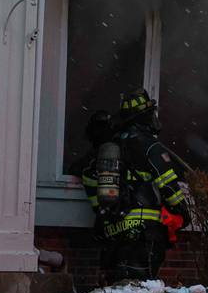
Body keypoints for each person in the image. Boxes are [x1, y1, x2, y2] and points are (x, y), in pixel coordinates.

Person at [78, 88, 191, 282]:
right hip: (144, 232)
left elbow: (89, 177)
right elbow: (167, 183)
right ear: (144, 116)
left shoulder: (111, 147)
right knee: (142, 287)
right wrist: (182, 210)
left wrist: (102, 209)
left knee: (116, 286)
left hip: (114, 231)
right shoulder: (150, 146)